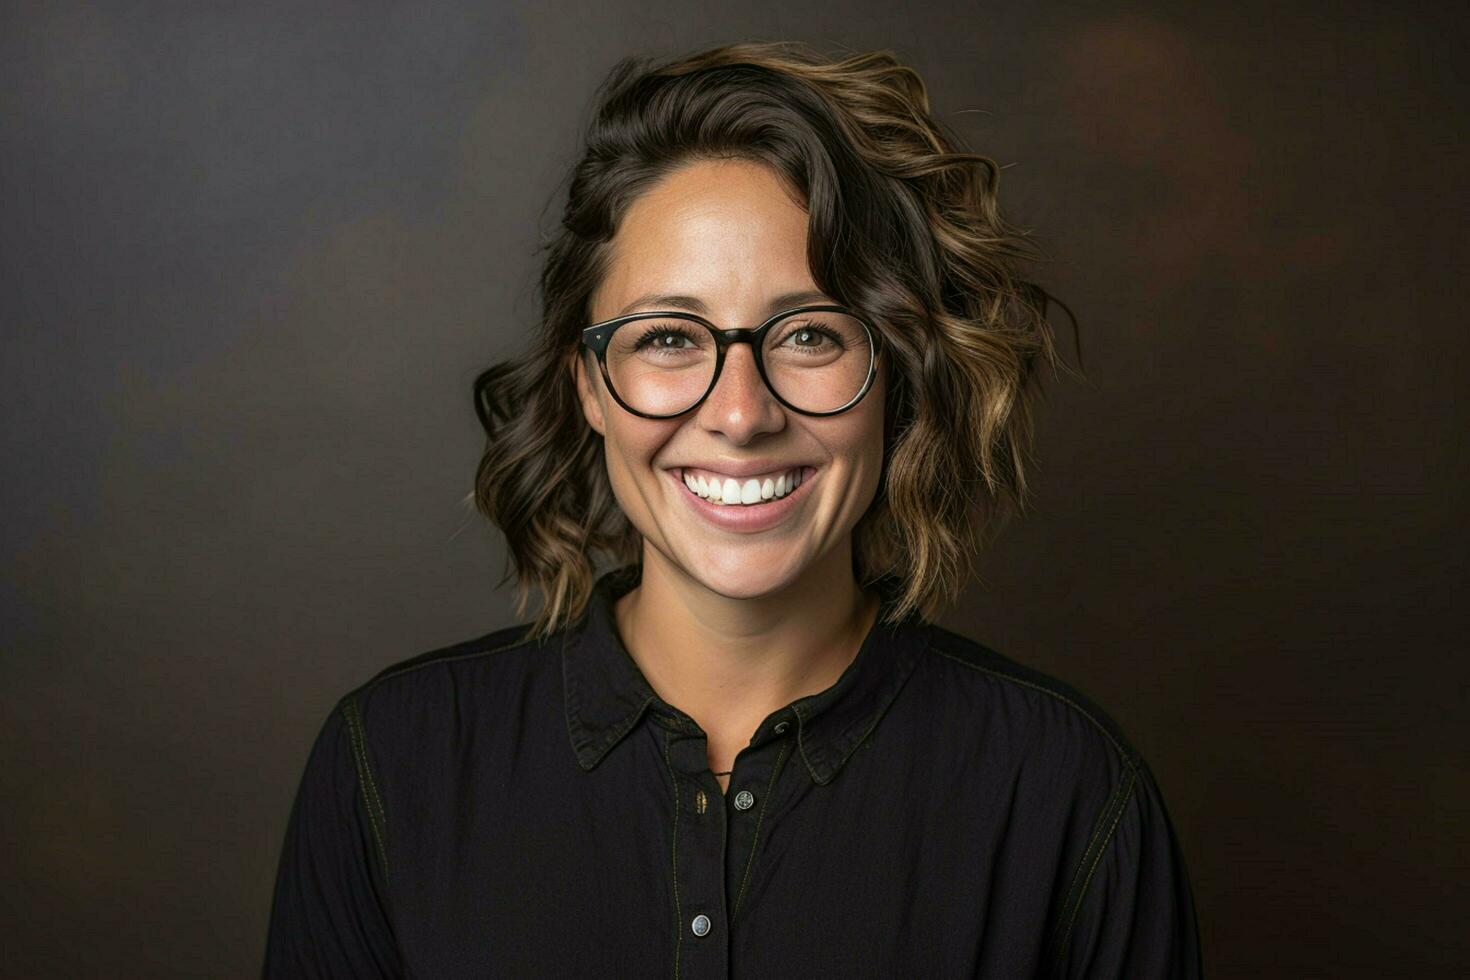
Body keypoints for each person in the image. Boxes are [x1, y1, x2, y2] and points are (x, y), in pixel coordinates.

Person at [264, 40, 1203, 978]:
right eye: (669, 336)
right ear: (589, 384)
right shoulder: (389, 767)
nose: (742, 414)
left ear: (896, 377)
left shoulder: (1065, 793)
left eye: (807, 333)